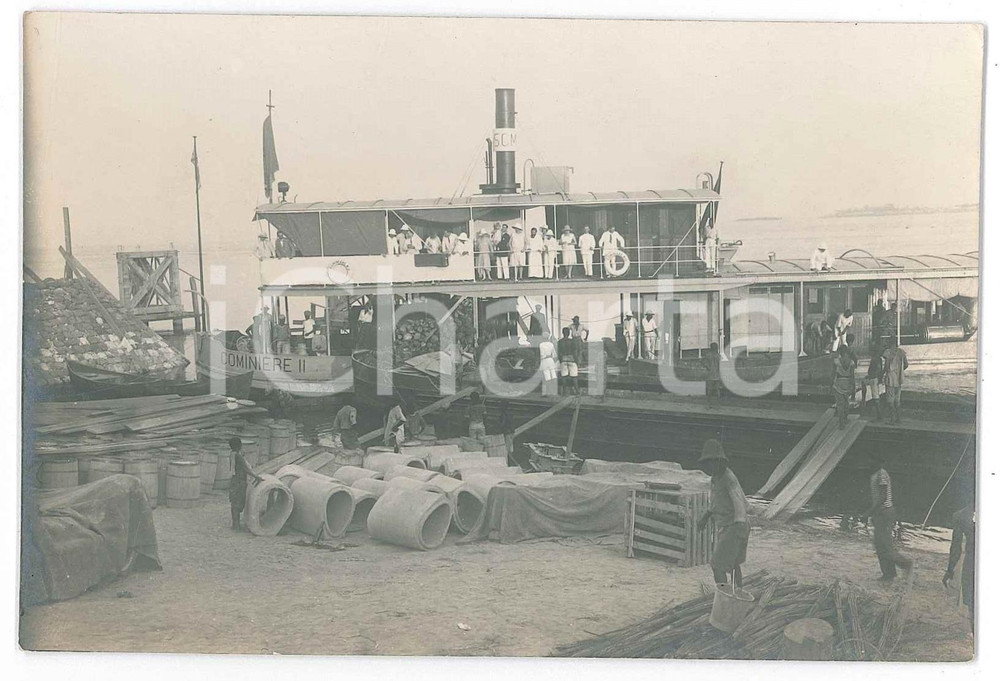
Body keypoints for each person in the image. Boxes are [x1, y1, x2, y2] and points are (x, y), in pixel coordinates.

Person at [696, 440, 750, 587]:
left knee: (717, 565)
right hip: (729, 525)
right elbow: (715, 502)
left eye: (712, 463)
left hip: (736, 524)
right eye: (707, 464)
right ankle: (737, 593)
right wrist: (705, 517)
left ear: (719, 461)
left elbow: (740, 502)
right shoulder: (715, 479)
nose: (709, 467)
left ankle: (725, 596)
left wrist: (738, 527)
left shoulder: (728, 478)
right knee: (732, 563)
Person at [864, 452, 913, 582]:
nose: (870, 463)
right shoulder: (876, 475)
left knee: (885, 545)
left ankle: (905, 564)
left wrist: (869, 512)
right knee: (879, 545)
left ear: (879, 462)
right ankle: (888, 574)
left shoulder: (881, 474)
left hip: (885, 512)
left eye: (873, 461)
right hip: (880, 513)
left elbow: (883, 497)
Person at [943, 504, 975, 634]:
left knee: (973, 605)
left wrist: (950, 570)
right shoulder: (961, 516)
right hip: (973, 563)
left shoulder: (961, 516)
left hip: (972, 563)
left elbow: (956, 547)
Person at [228, 436, 262, 532]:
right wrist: (256, 477)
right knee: (238, 503)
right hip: (239, 481)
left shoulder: (232, 454)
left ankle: (235, 525)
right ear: (239, 445)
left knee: (234, 503)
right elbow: (246, 469)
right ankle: (237, 526)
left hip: (234, 480)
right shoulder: (238, 456)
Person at [882, 336, 909, 424]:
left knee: (890, 400)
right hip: (899, 378)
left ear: (889, 342)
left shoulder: (887, 352)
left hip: (890, 377)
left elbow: (886, 367)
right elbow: (906, 364)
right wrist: (900, 370)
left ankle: (892, 419)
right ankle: (898, 418)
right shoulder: (901, 352)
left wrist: (882, 374)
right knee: (897, 400)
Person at [832, 344, 857, 428]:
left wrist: (830, 384)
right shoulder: (851, 362)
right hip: (847, 383)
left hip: (838, 383)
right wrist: (853, 386)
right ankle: (845, 418)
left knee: (840, 404)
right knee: (846, 402)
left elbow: (832, 374)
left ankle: (841, 423)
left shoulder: (836, 361)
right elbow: (852, 376)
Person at [861, 341, 884, 420]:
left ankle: (879, 415)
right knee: (863, 383)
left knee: (875, 397)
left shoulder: (875, 359)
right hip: (873, 377)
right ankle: (863, 401)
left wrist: (873, 376)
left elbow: (877, 369)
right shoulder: (878, 358)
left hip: (873, 378)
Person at [557, 326, 580, 395]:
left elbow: (559, 353)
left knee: (564, 377)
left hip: (563, 359)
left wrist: (561, 361)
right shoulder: (572, 341)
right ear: (569, 333)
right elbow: (575, 352)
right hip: (571, 359)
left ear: (562, 333)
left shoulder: (560, 342)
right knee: (574, 377)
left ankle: (564, 392)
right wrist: (577, 361)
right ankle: (577, 392)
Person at [538, 331, 559, 396]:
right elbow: (554, 355)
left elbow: (541, 355)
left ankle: (546, 392)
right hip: (551, 361)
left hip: (544, 361)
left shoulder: (541, 345)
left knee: (547, 377)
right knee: (553, 376)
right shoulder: (551, 344)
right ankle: (554, 392)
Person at [703, 342, 722, 407]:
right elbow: (720, 366)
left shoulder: (708, 355)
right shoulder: (718, 356)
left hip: (710, 375)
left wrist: (708, 367)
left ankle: (709, 404)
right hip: (717, 376)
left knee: (709, 390)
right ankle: (717, 404)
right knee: (717, 391)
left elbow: (704, 363)